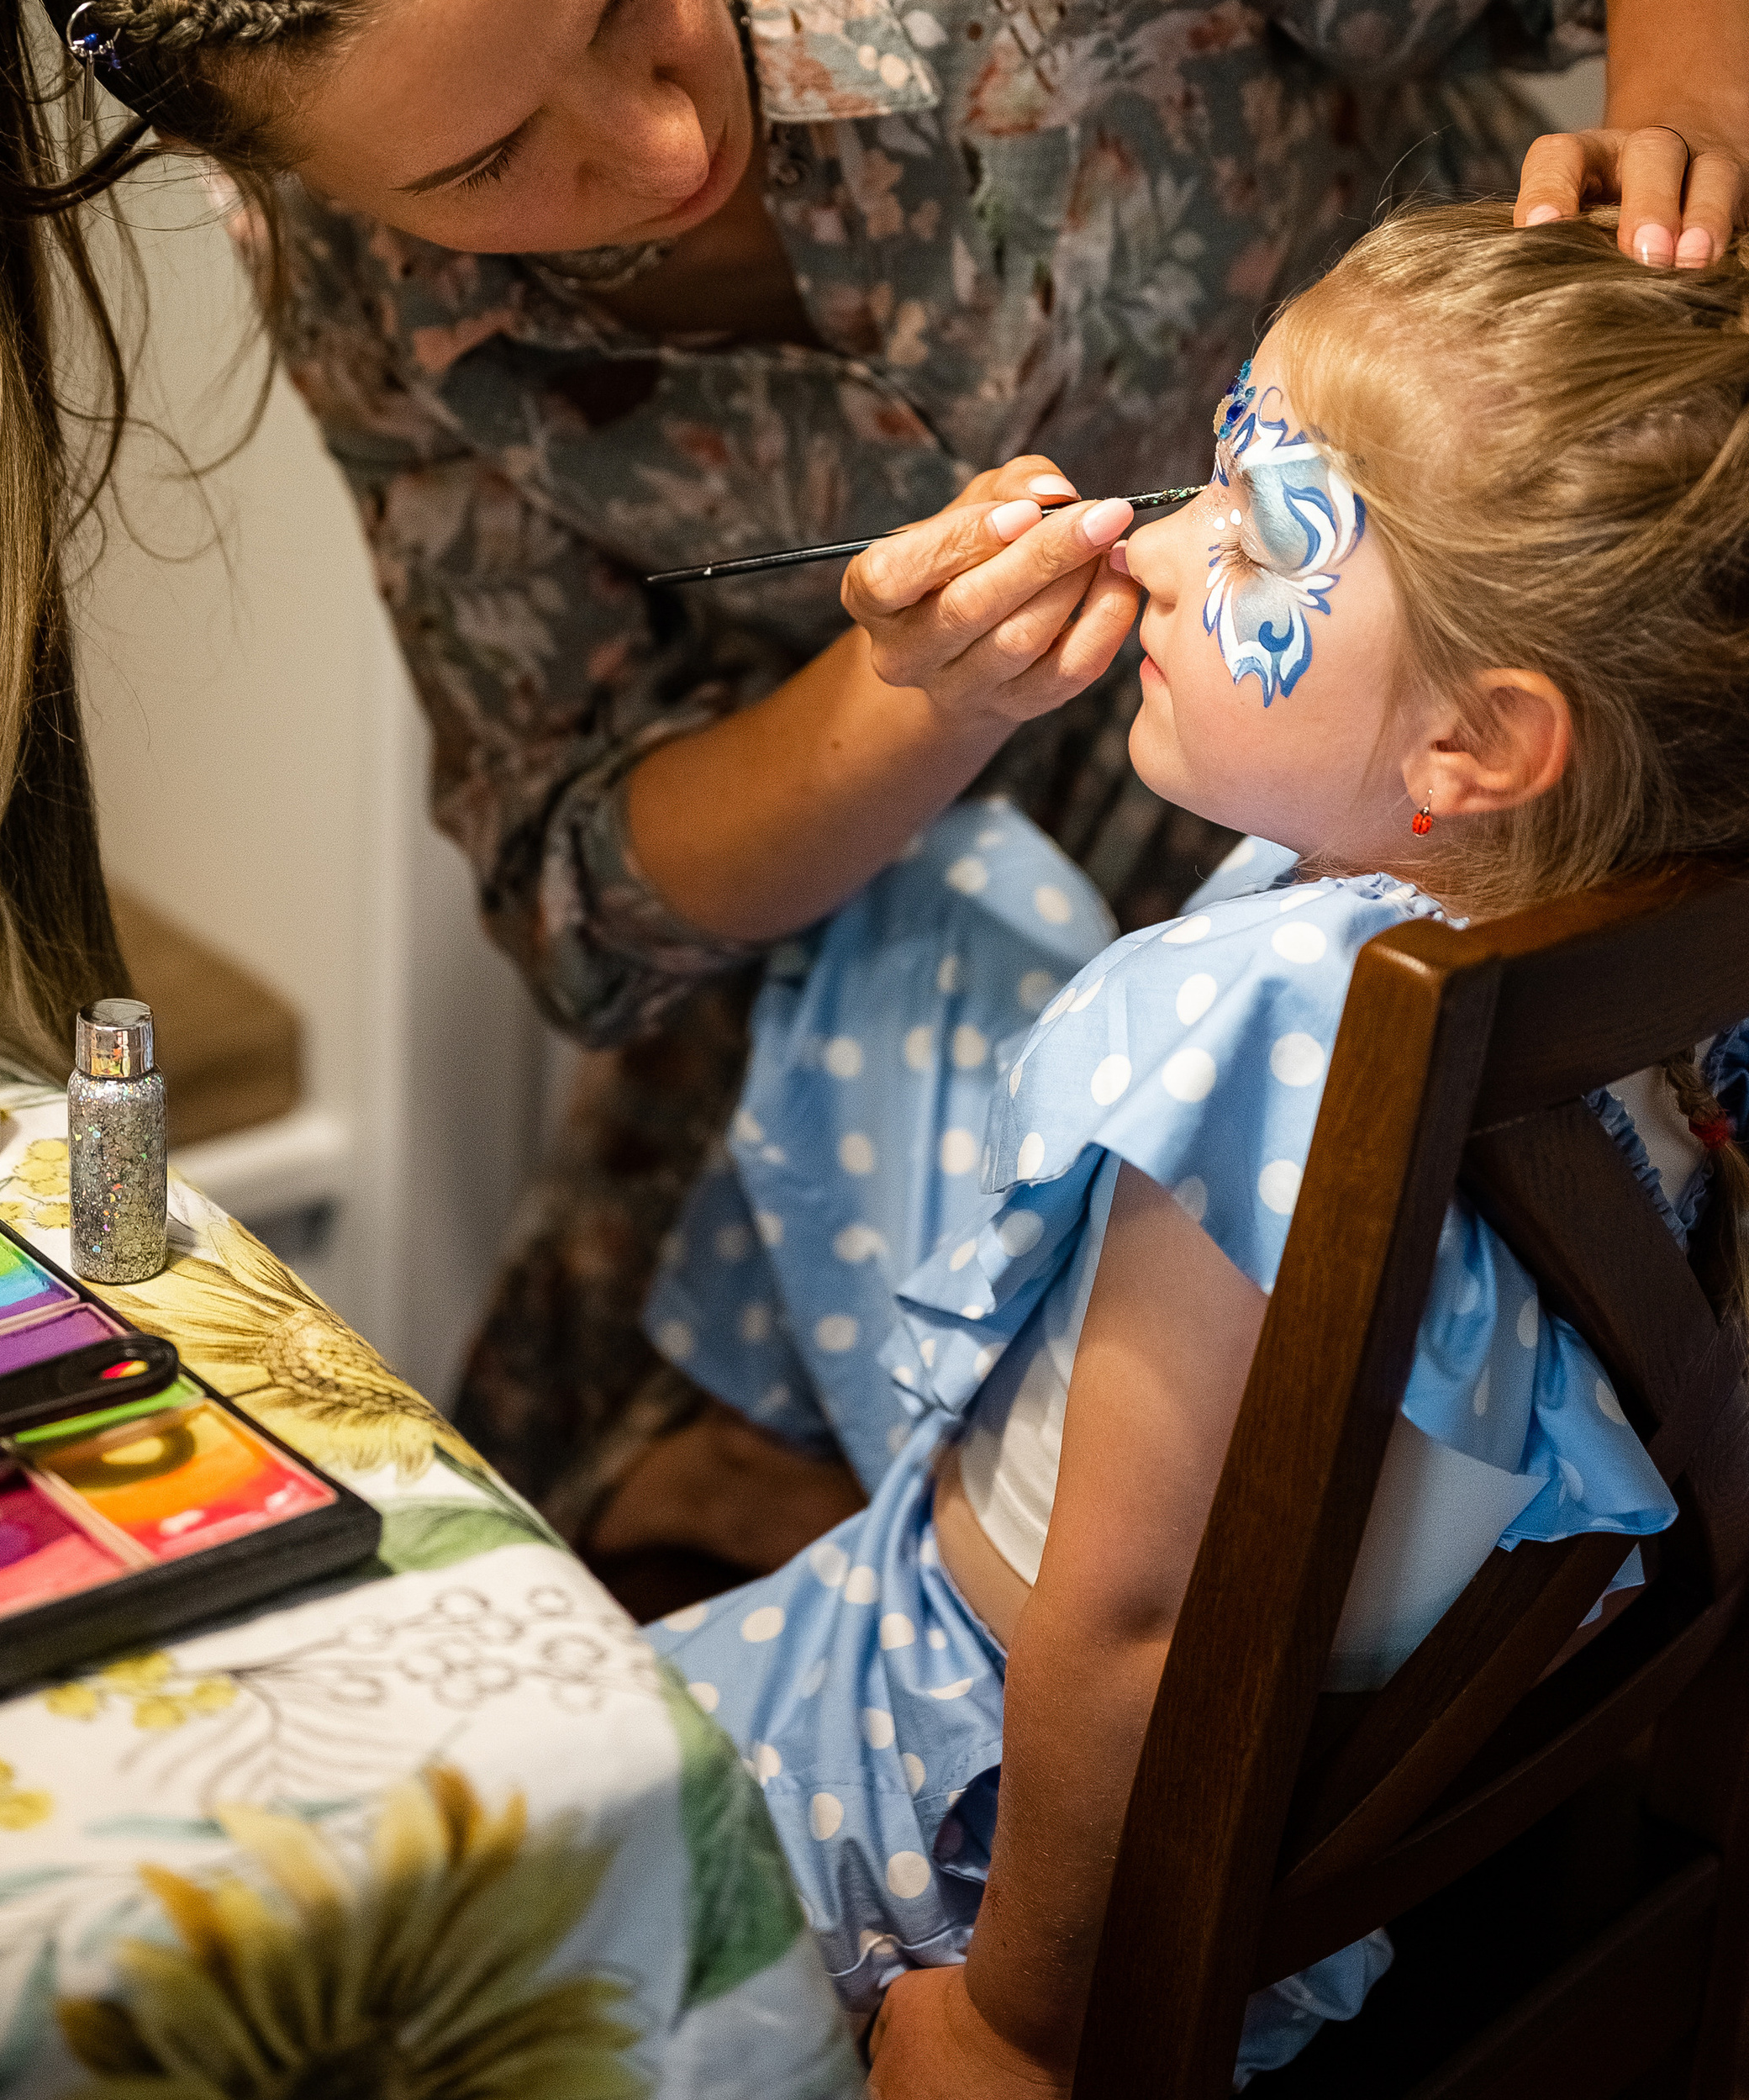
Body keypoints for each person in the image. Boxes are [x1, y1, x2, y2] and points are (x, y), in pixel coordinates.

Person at [0, 0, 1749, 1558]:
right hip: (903, 953)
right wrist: (894, 709)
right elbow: (581, 889)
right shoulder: (370, 301)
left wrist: (1688, 130)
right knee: (557, 1562)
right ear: (266, 178)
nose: (651, 158)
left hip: (1504, 829)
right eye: (481, 166)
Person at [637, 198, 1749, 2091]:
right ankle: (761, 1455)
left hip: (963, 1800)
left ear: (1471, 750)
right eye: (1205, 481)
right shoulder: (1626, 938)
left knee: (456, 1852)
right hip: (1328, 1782)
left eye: (1252, 530)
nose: (1151, 547)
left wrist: (1011, 2026)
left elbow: (1137, 1625)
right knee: (948, 885)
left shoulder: (1265, 1052)